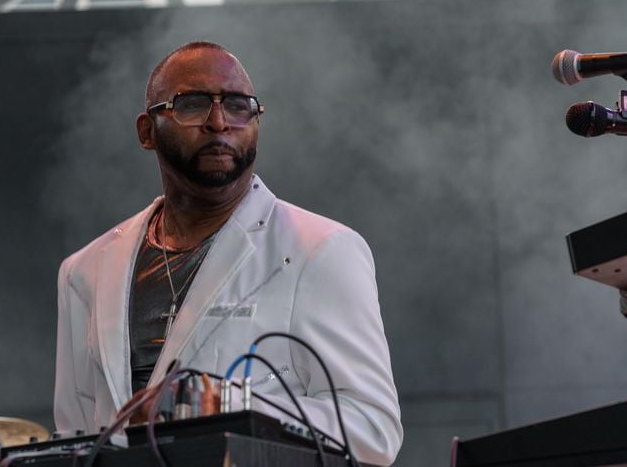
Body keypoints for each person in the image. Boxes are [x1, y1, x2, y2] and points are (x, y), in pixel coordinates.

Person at [53, 41, 402, 465]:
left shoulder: (323, 250)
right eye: (192, 104)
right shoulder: (85, 270)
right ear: (147, 131)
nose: (219, 122)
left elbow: (372, 428)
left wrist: (217, 408)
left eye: (239, 106)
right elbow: (75, 437)